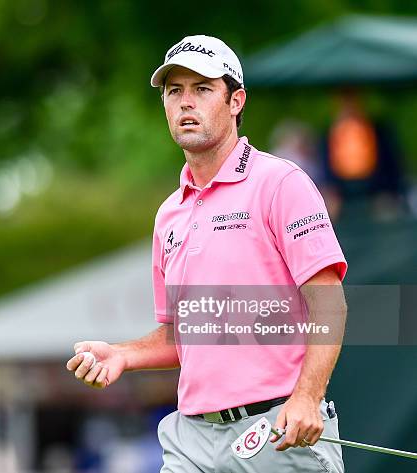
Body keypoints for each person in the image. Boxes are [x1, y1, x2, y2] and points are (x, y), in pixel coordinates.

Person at [67, 35, 348, 472]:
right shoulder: (169, 215)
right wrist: (122, 355)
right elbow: (183, 334)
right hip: (191, 440)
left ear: (236, 101)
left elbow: (329, 300)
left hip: (277, 432)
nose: (185, 103)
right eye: (174, 91)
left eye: (202, 89)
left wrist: (308, 397)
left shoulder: (280, 183)